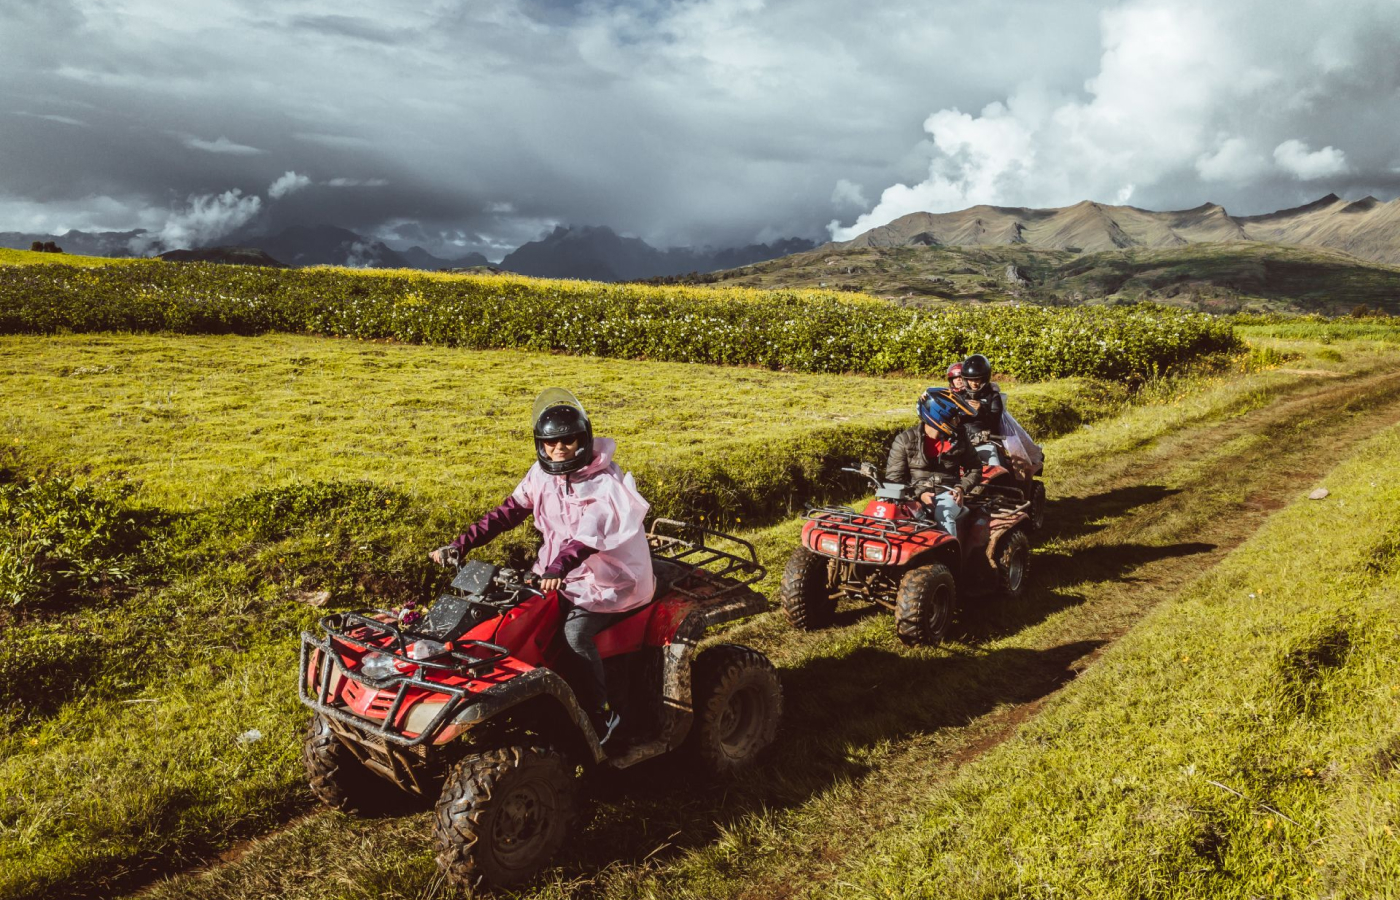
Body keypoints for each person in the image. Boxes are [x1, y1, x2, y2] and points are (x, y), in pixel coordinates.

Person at [429, 389, 654, 746]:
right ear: (540, 444)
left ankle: (602, 714)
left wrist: (557, 569)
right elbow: (507, 513)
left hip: (609, 580)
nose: (559, 449)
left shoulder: (605, 485)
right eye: (551, 442)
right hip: (558, 573)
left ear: (583, 439)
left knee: (574, 635)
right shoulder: (541, 474)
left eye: (568, 440)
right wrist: (460, 543)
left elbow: (584, 540)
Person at [885, 387, 982, 541]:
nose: (957, 421)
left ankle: (950, 558)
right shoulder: (904, 440)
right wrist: (919, 494)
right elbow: (893, 480)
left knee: (943, 513)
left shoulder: (959, 437)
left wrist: (960, 488)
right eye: (953, 417)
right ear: (938, 417)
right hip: (913, 495)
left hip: (947, 494)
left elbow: (975, 467)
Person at [957, 353, 1007, 475]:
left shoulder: (993, 397)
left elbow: (995, 422)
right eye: (970, 380)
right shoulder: (959, 396)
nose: (974, 383)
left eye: (977, 379)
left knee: (995, 467)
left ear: (984, 378)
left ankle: (1002, 489)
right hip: (961, 441)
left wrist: (981, 410)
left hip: (986, 441)